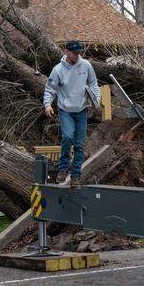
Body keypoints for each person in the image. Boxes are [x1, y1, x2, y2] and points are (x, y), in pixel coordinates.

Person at [43, 40, 100, 188]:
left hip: (81, 110)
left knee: (79, 145)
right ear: (66, 52)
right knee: (68, 137)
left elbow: (93, 83)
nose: (77, 55)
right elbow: (50, 88)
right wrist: (48, 104)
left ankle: (75, 176)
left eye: (79, 53)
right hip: (65, 110)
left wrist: (96, 99)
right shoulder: (58, 70)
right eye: (74, 53)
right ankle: (62, 170)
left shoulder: (86, 65)